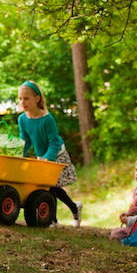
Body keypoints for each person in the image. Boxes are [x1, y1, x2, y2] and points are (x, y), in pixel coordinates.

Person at [17, 80, 82, 227]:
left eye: (26, 98)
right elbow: (25, 140)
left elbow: (53, 142)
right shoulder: (22, 119)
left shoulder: (47, 119)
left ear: (37, 99)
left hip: (56, 154)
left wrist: (48, 159)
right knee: (49, 187)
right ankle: (64, 213)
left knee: (51, 186)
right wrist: (19, 153)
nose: (23, 102)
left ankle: (58, 217)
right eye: (20, 98)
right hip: (42, 156)